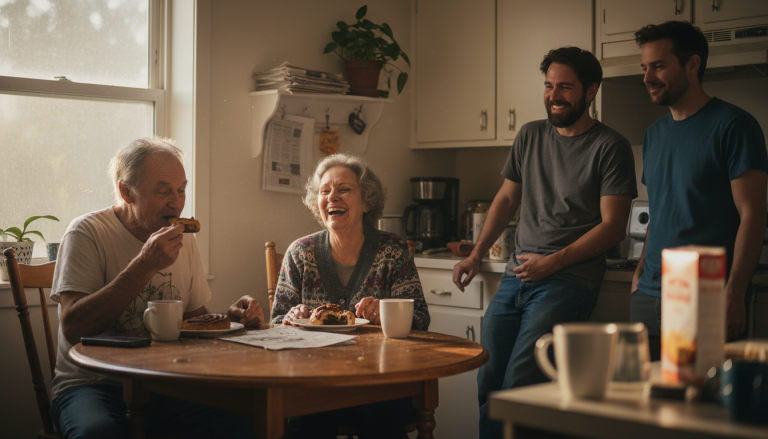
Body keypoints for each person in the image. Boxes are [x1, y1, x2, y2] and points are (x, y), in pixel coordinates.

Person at [452, 47, 637, 439]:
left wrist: (552, 264)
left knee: (522, 386)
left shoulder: (610, 146)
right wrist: (475, 254)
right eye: (549, 85)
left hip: (567, 282)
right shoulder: (530, 134)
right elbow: (505, 199)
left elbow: (613, 227)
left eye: (565, 87)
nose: (554, 95)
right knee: (487, 381)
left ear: (591, 91)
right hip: (516, 278)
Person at [49, 137, 264, 439]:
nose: (176, 202)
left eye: (181, 190)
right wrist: (145, 265)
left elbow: (193, 318)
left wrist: (227, 318)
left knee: (248, 421)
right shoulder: (86, 232)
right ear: (127, 192)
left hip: (168, 382)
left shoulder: (184, 238)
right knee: (100, 434)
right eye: (163, 191)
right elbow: (73, 328)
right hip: (94, 384)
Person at [631, 21, 768, 359]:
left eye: (659, 66)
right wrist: (638, 275)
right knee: (643, 406)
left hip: (707, 297)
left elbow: (753, 214)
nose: (647, 77)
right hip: (648, 297)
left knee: (701, 407)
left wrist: (734, 291)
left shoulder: (735, 126)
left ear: (692, 64)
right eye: (644, 67)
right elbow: (660, 212)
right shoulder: (653, 135)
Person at [271, 152, 429, 439]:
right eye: (325, 191)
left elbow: (419, 318)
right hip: (314, 385)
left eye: (344, 190)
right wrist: (291, 318)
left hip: (378, 382)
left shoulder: (392, 250)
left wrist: (386, 310)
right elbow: (275, 323)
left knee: (383, 419)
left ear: (366, 201)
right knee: (305, 423)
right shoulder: (300, 253)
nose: (333, 197)